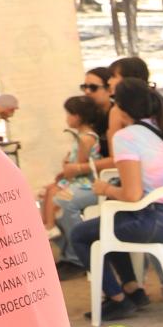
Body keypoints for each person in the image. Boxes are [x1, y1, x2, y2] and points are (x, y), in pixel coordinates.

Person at [63, 78, 163, 321]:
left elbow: (131, 195)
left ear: (122, 108)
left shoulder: (127, 137)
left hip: (152, 222)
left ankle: (117, 298)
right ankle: (131, 289)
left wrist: (105, 188)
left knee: (81, 234)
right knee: (109, 223)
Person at [43, 95, 107, 239]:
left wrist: (67, 167)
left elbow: (78, 166)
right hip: (78, 179)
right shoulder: (83, 137)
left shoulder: (85, 139)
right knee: (48, 190)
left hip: (85, 182)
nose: (66, 118)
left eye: (68, 114)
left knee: (55, 193)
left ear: (77, 116)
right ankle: (48, 225)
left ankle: (51, 227)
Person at [109, 56, 163, 140]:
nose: (109, 81)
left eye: (113, 76)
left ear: (130, 79)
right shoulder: (155, 101)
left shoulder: (121, 110)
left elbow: (116, 149)